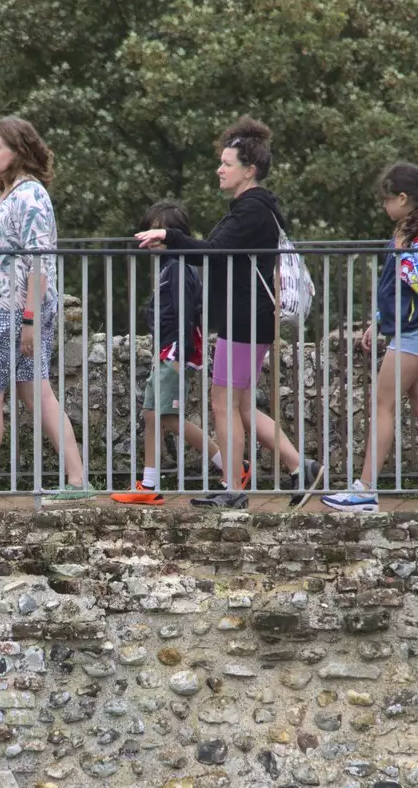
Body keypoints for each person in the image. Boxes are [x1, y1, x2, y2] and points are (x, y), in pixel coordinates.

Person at [133, 116, 319, 509]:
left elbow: (212, 252)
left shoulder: (251, 210)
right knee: (241, 406)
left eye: (227, 163)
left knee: (224, 403)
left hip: (245, 319)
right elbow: (216, 252)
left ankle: (234, 487)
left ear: (248, 170)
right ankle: (299, 466)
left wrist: (171, 236)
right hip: (247, 317)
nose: (219, 169)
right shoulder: (248, 207)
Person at [0, 117, 93, 509]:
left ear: (18, 150)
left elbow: (39, 261)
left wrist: (29, 319)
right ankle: (77, 480)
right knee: (34, 392)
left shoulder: (31, 196)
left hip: (11, 308)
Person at [323, 162, 418, 513]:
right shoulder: (411, 233)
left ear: (403, 198)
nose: (384, 206)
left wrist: (403, 249)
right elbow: (397, 291)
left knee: (382, 402)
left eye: (386, 199)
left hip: (416, 332)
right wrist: (379, 320)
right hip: (415, 328)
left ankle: (365, 489)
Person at [110, 201, 237, 506]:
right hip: (167, 351)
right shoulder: (171, 267)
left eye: (155, 233)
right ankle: (149, 483)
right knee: (154, 415)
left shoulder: (179, 267)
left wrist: (176, 356)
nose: (148, 240)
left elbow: (184, 315)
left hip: (175, 352)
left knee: (166, 417)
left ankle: (231, 467)